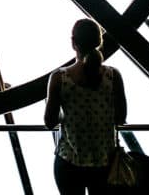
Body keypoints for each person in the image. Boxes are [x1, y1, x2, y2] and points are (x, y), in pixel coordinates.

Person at [44, 18, 127, 195]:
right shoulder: (113, 76)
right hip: (105, 163)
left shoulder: (59, 78)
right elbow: (121, 117)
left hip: (69, 162)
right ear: (99, 41)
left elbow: (49, 122)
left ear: (73, 42)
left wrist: (63, 116)